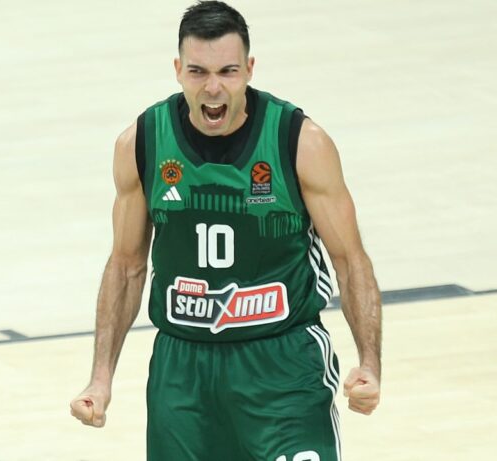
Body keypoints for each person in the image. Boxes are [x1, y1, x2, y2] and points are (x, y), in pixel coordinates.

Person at [70, 2, 382, 459]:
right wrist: (101, 378)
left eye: (227, 72)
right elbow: (126, 266)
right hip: (183, 370)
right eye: (198, 71)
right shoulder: (142, 142)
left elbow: (350, 260)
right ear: (178, 70)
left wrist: (370, 363)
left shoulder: (300, 142)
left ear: (249, 69)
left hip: (282, 365)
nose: (213, 88)